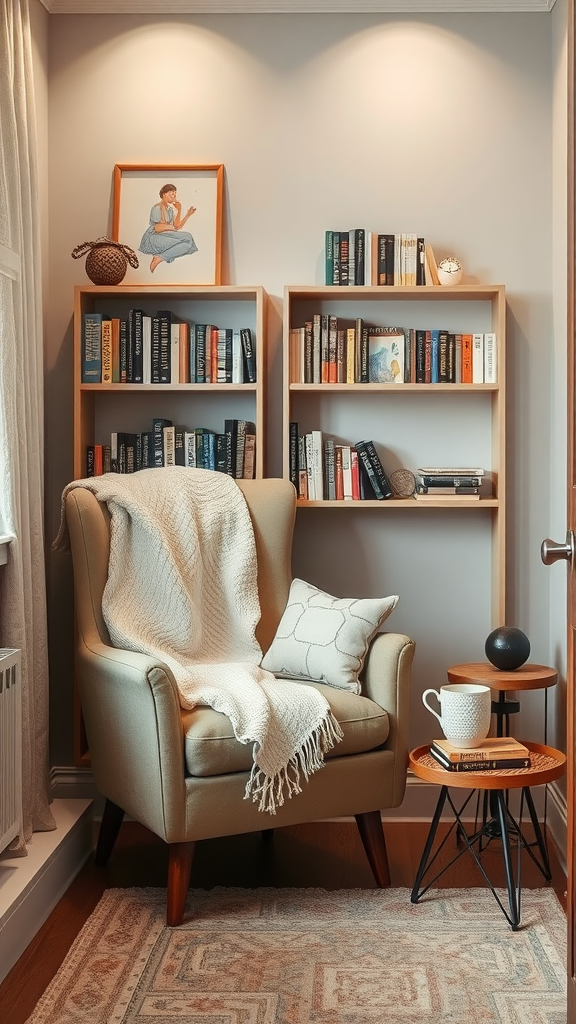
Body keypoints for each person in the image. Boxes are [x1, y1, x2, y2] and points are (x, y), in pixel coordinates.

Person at [139, 184, 198, 273]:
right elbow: (158, 228)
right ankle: (160, 257)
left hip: (164, 236)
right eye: (172, 193)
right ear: (164, 194)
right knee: (187, 237)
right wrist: (172, 228)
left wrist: (183, 212)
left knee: (189, 243)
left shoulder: (170, 210)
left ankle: (159, 257)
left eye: (175, 193)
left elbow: (177, 227)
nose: (174, 196)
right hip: (153, 238)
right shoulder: (157, 207)